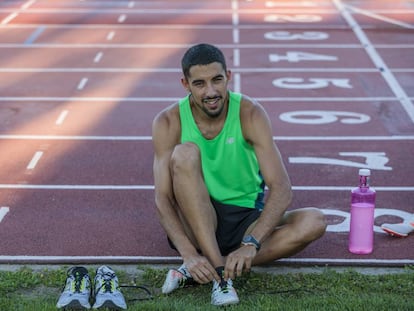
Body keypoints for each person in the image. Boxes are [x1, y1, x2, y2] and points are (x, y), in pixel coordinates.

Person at [152, 43, 327, 306]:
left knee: (314, 221)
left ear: (229, 77)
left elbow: (281, 188)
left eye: (217, 80)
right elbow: (163, 198)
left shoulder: (250, 113)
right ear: (185, 84)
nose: (211, 92)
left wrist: (252, 243)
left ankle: (208, 265)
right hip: (196, 215)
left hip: (246, 222)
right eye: (199, 84)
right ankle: (222, 278)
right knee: (185, 153)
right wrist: (188, 252)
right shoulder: (167, 121)